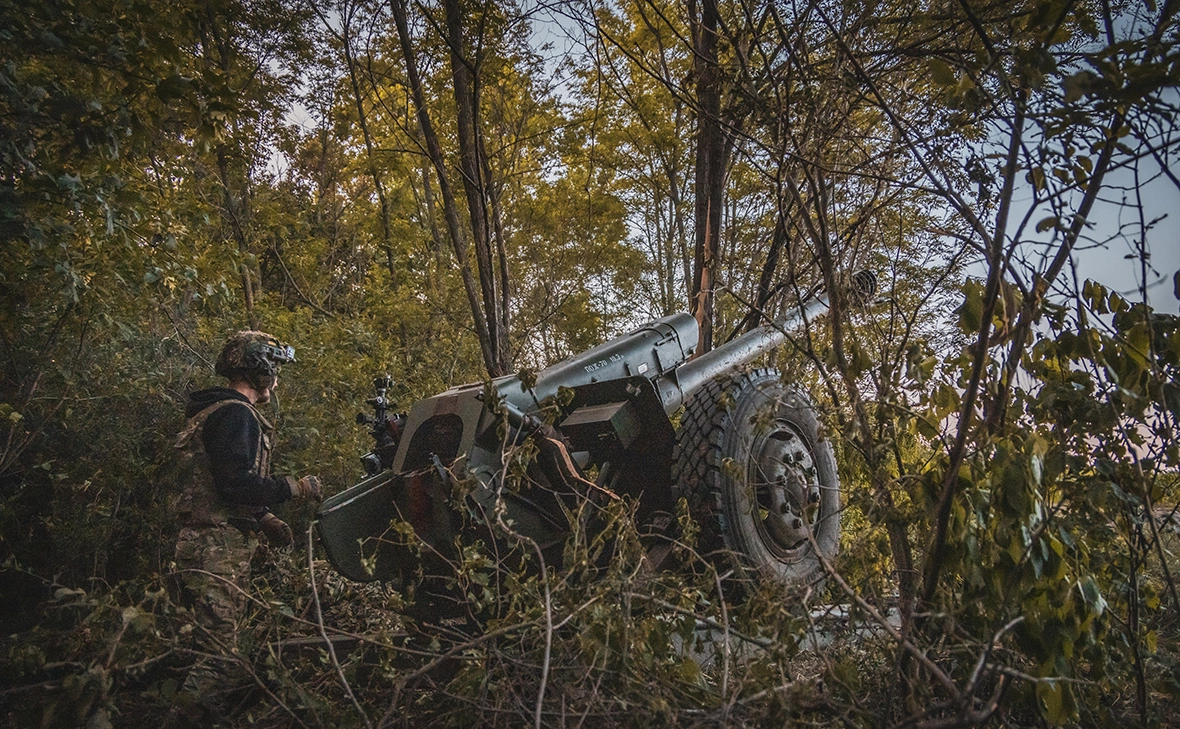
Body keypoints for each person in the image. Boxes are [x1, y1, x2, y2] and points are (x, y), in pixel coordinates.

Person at [170, 330, 322, 721]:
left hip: (200, 540)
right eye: (276, 369)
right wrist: (292, 488)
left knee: (200, 646)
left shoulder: (216, 410)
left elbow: (218, 480)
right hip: (215, 546)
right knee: (220, 657)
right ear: (262, 368)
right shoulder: (236, 413)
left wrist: (262, 517)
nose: (278, 379)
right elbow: (235, 481)